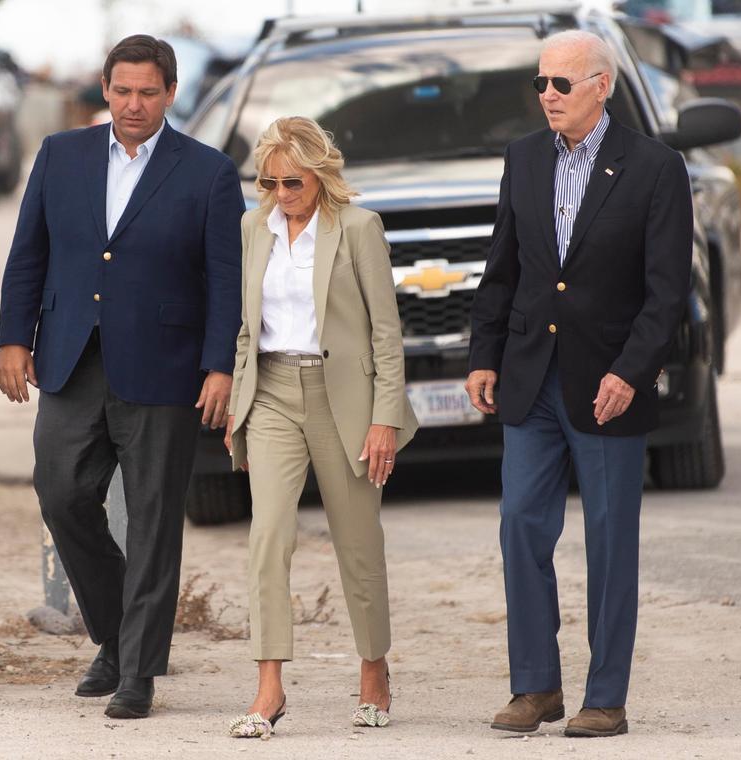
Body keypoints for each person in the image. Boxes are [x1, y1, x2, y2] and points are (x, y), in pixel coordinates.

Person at [0, 34, 244, 719]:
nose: (134, 104)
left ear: (169, 93)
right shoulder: (60, 155)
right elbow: (28, 255)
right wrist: (13, 339)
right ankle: (114, 632)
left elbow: (226, 281)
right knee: (61, 493)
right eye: (122, 90)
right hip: (71, 357)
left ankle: (137, 670)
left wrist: (219, 365)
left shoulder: (209, 172)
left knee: (156, 521)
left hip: (165, 368)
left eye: (148, 92)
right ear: (104, 90)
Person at [466, 30, 692, 738]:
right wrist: (484, 355)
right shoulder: (523, 159)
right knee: (519, 527)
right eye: (541, 83)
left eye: (561, 84)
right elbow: (502, 267)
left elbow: (667, 292)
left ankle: (605, 697)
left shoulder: (655, 168)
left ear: (602, 85)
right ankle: (535, 688)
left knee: (608, 538)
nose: (547, 97)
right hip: (530, 378)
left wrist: (631, 371)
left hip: (608, 385)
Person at [222, 117, 418, 738]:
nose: (281, 193)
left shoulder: (358, 228)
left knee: (358, 543)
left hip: (345, 399)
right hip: (273, 394)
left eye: (293, 182)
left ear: (321, 175)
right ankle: (269, 687)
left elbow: (386, 334)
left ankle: (373, 670)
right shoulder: (254, 228)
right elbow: (245, 327)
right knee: (267, 538)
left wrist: (385, 417)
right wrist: (239, 407)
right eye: (270, 181)